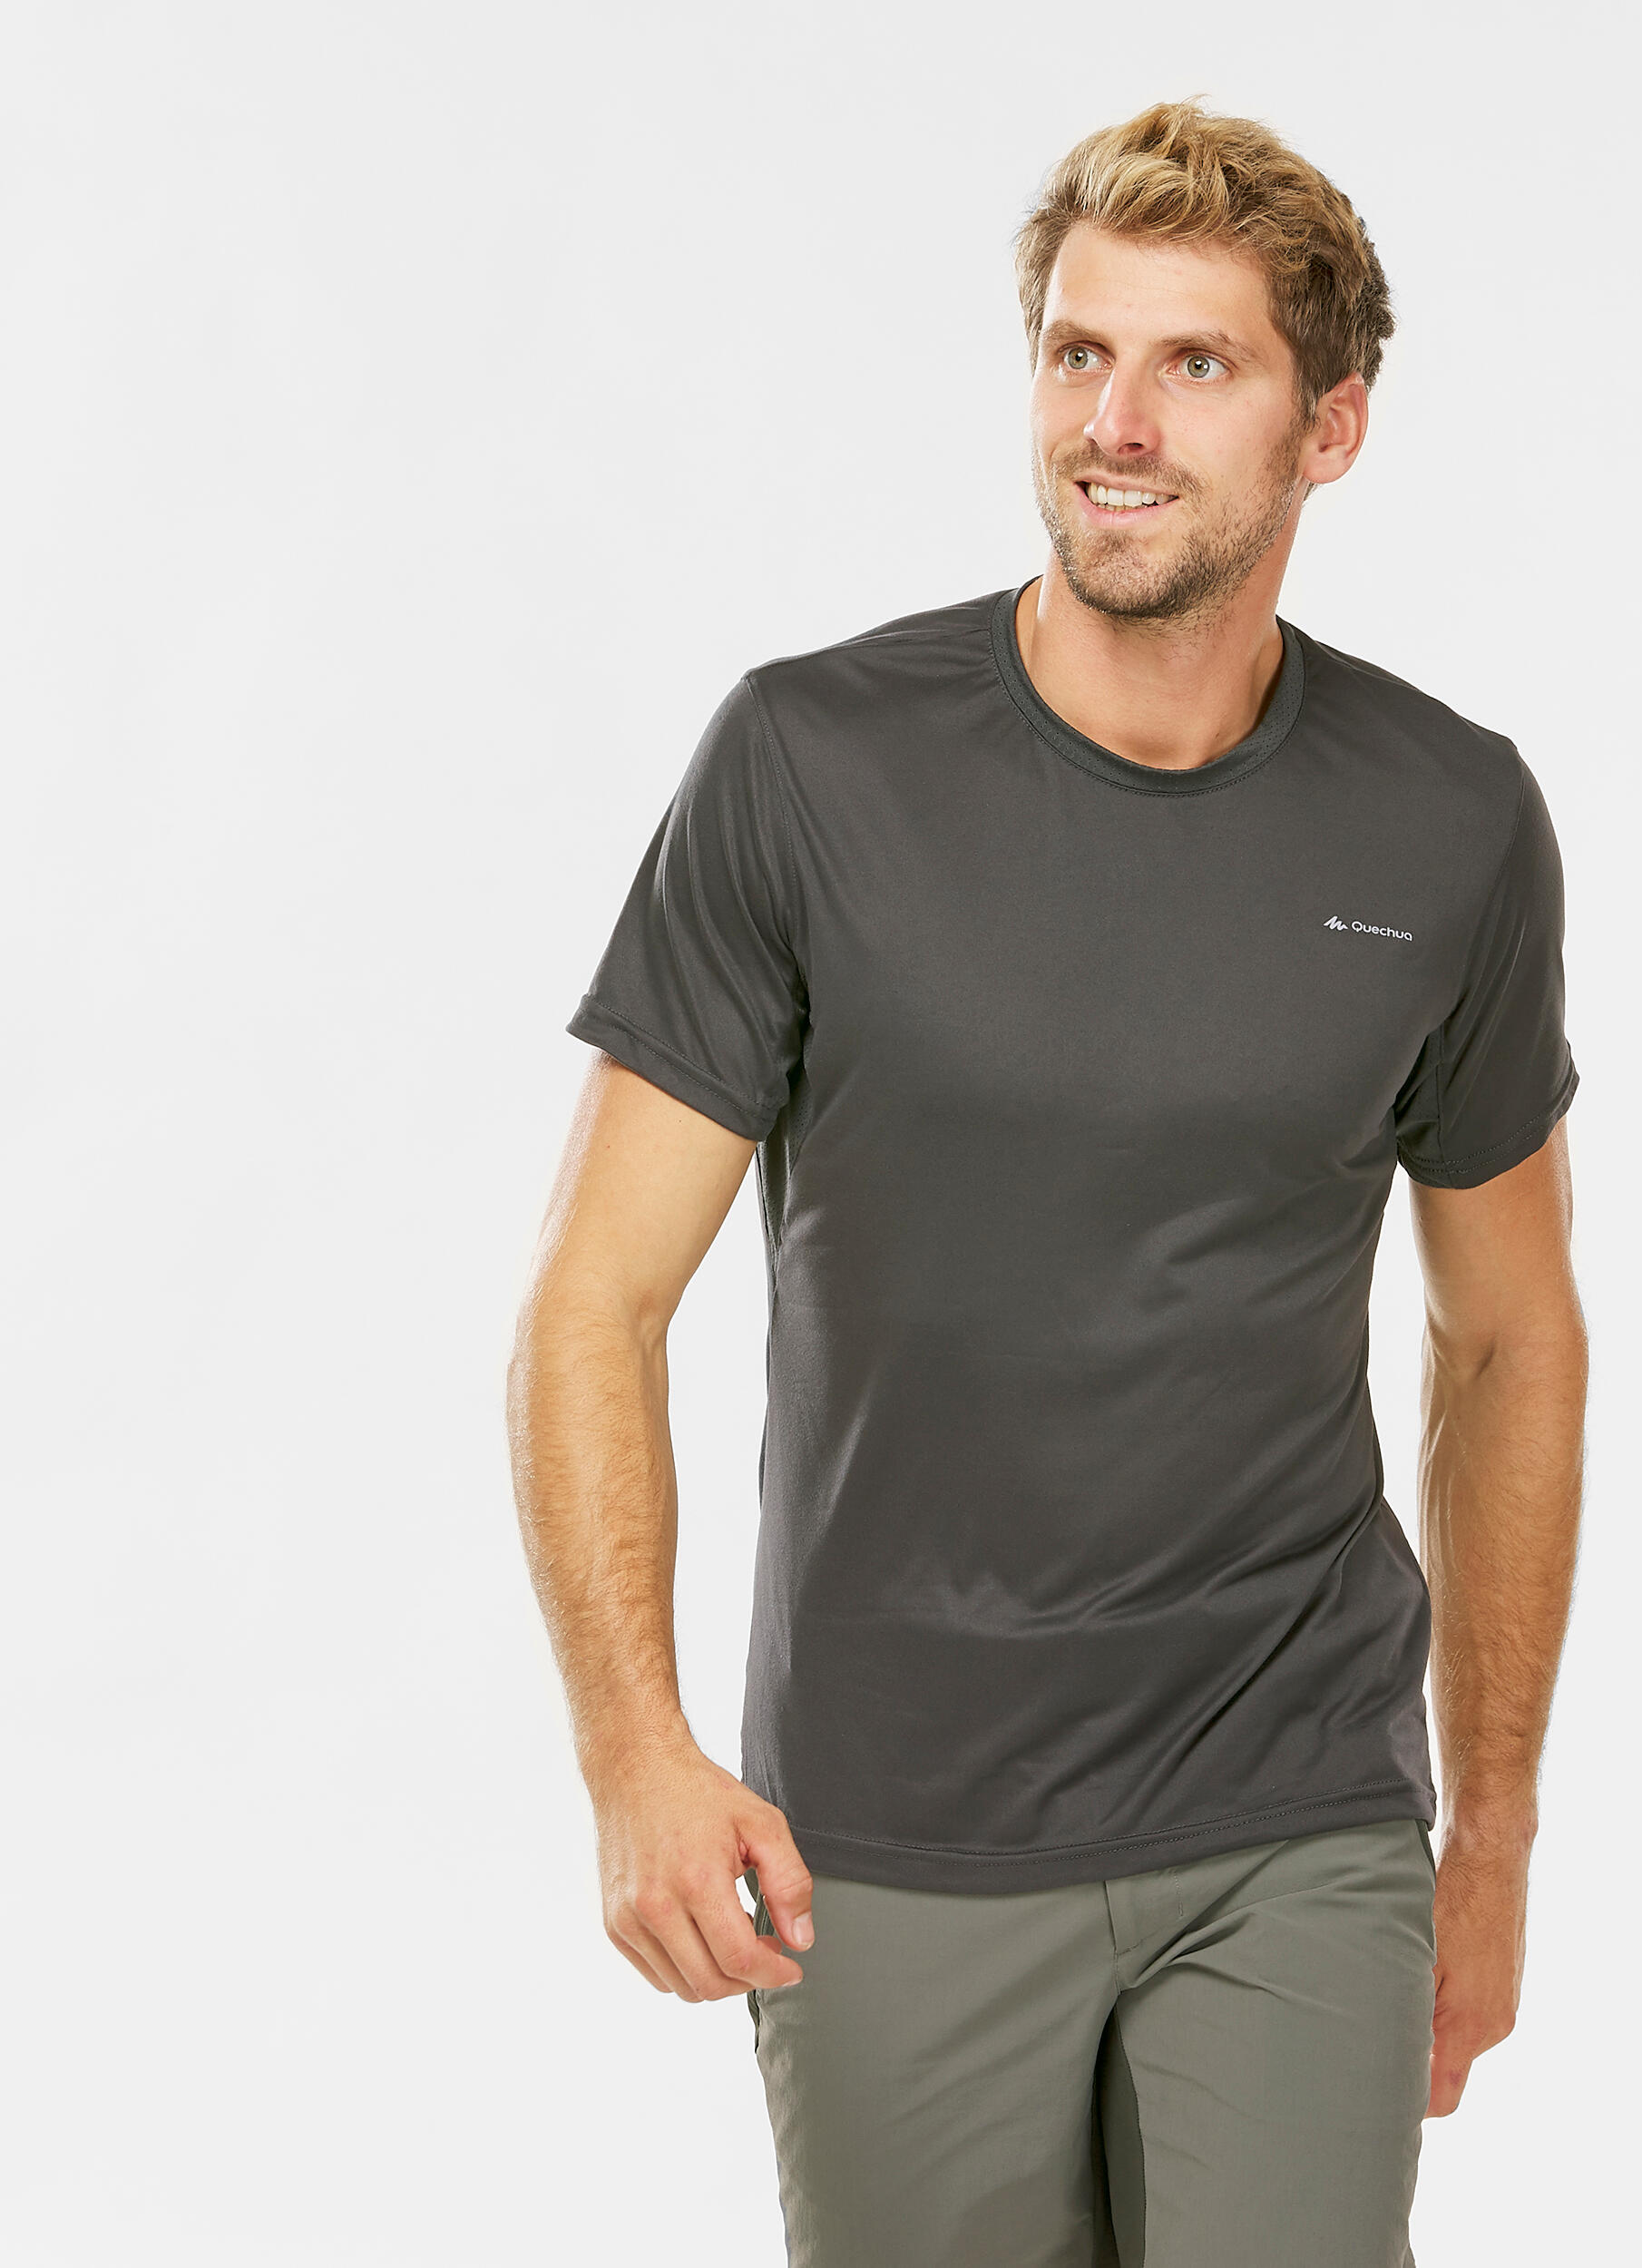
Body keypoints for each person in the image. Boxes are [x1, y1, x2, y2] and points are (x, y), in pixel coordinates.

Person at [507, 99, 1588, 2267]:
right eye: (1076, 352)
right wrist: (634, 1749)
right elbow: (591, 1299)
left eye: (1194, 363)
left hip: (1291, 1803)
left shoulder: (1450, 818)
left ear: (1328, 427)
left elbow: (1508, 1338)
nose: (1113, 424)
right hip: (891, 1823)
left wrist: (1488, 1838)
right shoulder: (810, 765)